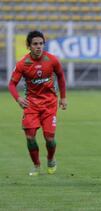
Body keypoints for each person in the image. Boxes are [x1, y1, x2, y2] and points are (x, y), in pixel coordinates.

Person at [8, 30, 67, 176]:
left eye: (41, 44)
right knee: (30, 137)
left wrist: (63, 97)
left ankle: (51, 158)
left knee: (50, 139)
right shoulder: (23, 64)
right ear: (29, 46)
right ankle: (36, 165)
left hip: (49, 104)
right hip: (31, 105)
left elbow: (60, 76)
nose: (38, 47)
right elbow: (11, 84)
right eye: (35, 44)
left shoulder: (52, 60)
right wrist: (18, 98)